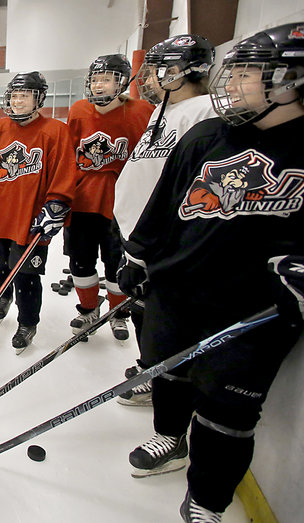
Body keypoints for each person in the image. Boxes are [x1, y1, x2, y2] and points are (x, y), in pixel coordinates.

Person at [119, 23, 304, 521]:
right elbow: (163, 203)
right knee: (170, 371)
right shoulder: (207, 134)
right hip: (178, 288)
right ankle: (169, 439)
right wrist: (137, 254)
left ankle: (206, 499)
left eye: (247, 72)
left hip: (254, 307)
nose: (233, 82)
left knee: (228, 409)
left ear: (291, 81)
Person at [112, 35, 216, 407]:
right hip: (139, 233)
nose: (148, 79)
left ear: (178, 72)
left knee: (165, 320)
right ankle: (149, 368)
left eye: (156, 71)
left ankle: (162, 381)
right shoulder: (163, 111)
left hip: (166, 239)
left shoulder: (205, 111)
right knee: (144, 310)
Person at [0, 71, 76, 353]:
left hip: (31, 219)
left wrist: (56, 205)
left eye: (25, 96)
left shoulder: (55, 131)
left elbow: (64, 172)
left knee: (27, 275)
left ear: (39, 98)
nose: (17, 101)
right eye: (14, 96)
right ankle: (2, 295)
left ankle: (27, 323)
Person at [65, 54, 154, 341]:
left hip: (121, 201)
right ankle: (88, 308)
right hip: (82, 201)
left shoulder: (143, 111)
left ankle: (119, 313)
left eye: (106, 79)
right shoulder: (78, 109)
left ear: (122, 82)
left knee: (117, 262)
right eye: (95, 79)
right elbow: (69, 154)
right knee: (81, 260)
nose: (99, 85)